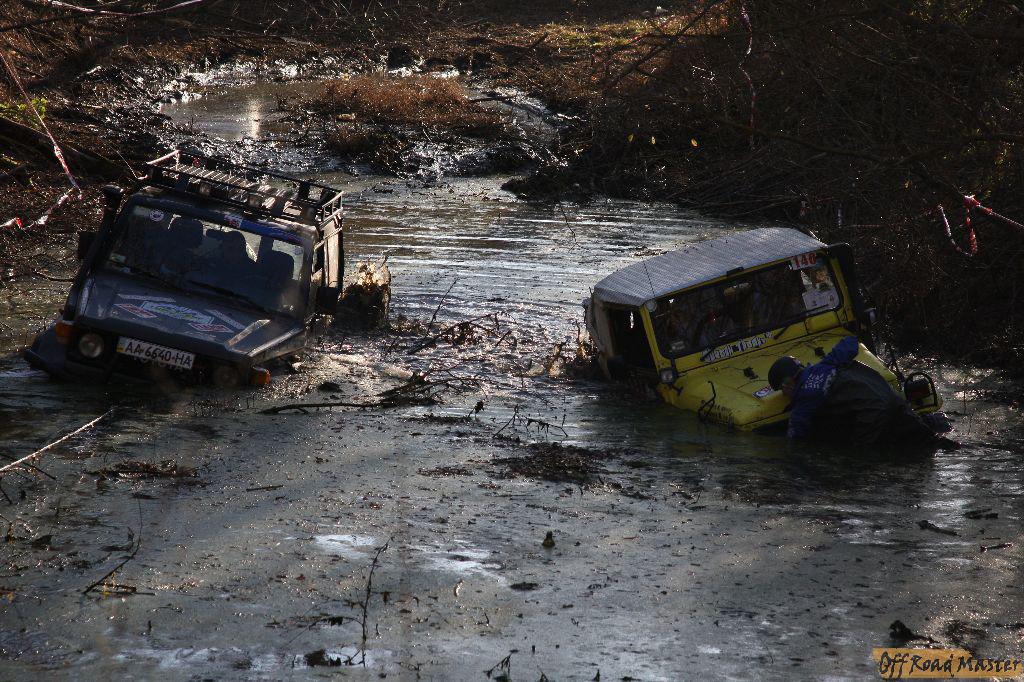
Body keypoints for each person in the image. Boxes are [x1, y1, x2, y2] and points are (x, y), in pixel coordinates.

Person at [768, 336, 951, 447]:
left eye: (782, 390)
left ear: (787, 384)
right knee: (932, 442)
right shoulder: (828, 363)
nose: (784, 395)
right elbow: (850, 342)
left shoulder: (804, 399)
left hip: (872, 416)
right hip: (893, 401)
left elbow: (796, 438)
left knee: (861, 457)